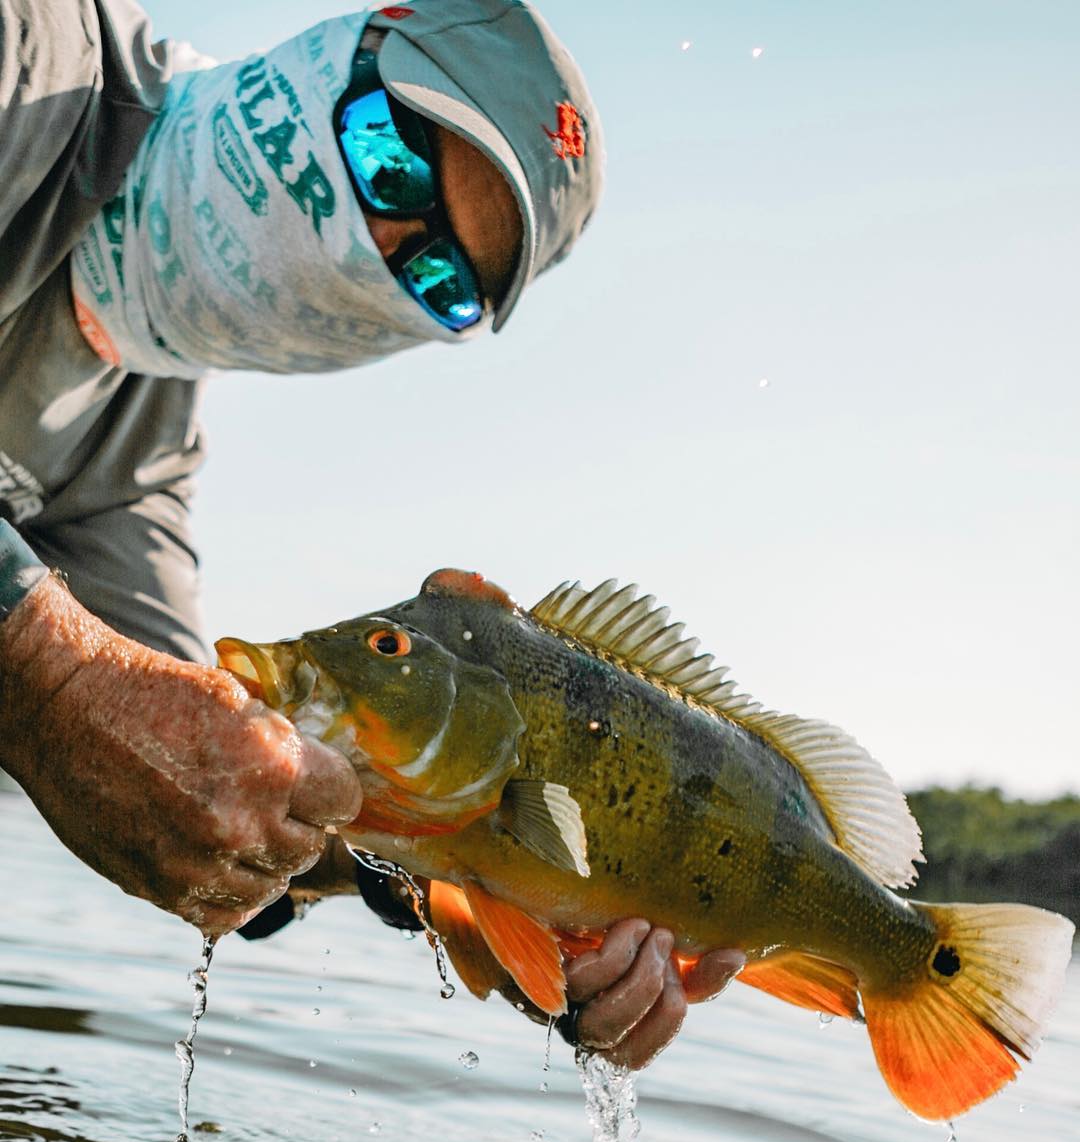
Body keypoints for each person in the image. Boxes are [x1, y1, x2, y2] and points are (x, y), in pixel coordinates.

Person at [0, 0, 744, 1069]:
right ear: (343, 49)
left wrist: (477, 897)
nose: (391, 239)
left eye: (440, 275)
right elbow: (75, 686)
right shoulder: (32, 58)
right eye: (392, 163)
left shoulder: (138, 454)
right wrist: (54, 683)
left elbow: (222, 790)